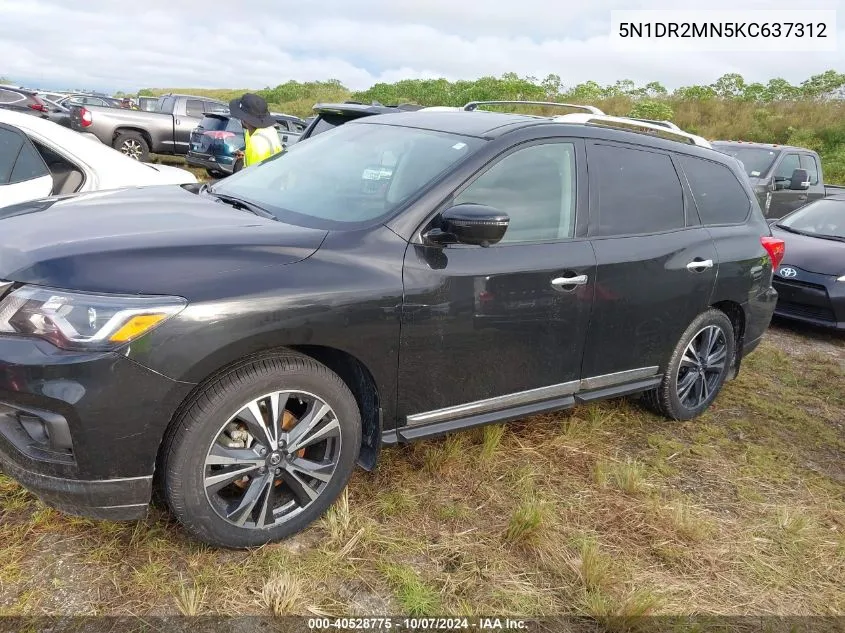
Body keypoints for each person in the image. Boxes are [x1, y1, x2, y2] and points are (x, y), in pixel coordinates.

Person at [228, 93, 283, 169]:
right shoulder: (269, 131)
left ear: (245, 119)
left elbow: (256, 174)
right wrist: (245, 155)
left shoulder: (257, 141)